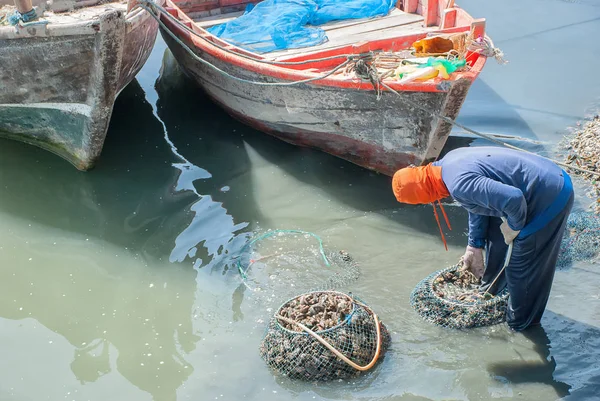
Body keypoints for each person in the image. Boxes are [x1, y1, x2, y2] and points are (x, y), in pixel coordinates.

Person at [391, 146, 574, 332]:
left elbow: (514, 199)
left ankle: (523, 326)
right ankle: (491, 289)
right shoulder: (448, 163)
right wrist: (474, 246)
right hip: (545, 175)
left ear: (424, 194)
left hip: (551, 196)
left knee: (522, 266)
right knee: (495, 234)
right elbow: (477, 203)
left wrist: (514, 227)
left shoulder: (458, 184)